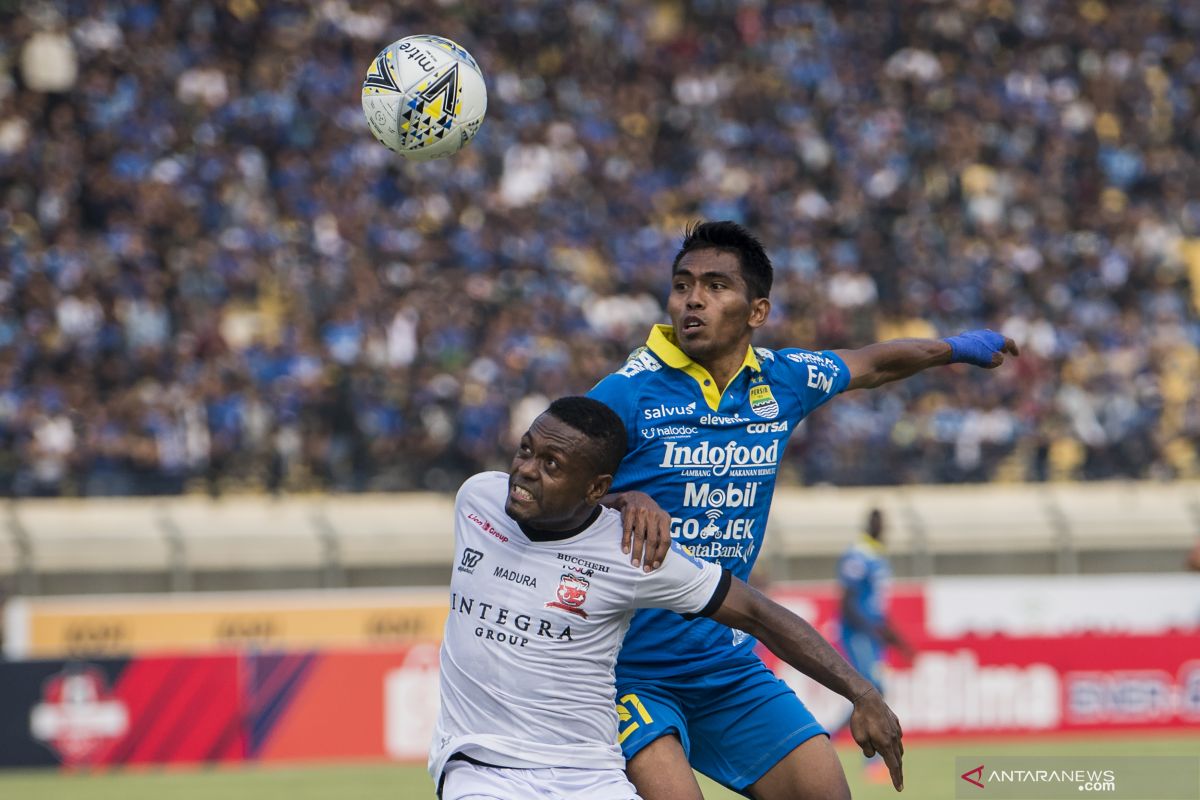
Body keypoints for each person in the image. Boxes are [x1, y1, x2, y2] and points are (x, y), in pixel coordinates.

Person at [588, 220, 1018, 800]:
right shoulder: (625, 392)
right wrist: (622, 496)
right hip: (623, 669)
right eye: (683, 283)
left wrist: (957, 348)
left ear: (756, 311)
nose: (693, 298)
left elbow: (874, 364)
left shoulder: (783, 380)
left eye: (716, 286)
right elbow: (534, 486)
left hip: (725, 665)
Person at [430, 396, 904, 800]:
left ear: (596, 488)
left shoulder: (633, 553)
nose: (524, 471)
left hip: (590, 774)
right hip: (481, 768)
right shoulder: (477, 500)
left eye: (551, 465)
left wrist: (861, 692)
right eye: (526, 451)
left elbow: (758, 613)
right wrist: (622, 499)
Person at [835, 508, 913, 782]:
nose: (881, 527)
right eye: (877, 522)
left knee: (872, 693)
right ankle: (871, 763)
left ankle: (830, 738)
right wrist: (869, 630)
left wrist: (896, 640)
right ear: (870, 525)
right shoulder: (859, 555)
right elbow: (847, 601)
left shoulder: (877, 556)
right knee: (872, 692)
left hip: (871, 634)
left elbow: (876, 607)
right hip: (857, 633)